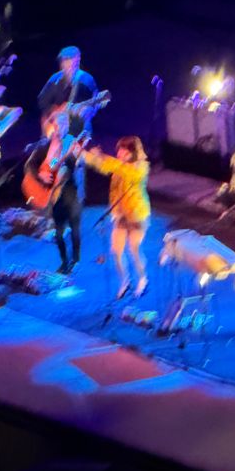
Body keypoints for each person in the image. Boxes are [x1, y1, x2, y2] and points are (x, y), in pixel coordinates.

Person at [85, 136, 151, 300]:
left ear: (132, 152)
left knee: (134, 249)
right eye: (119, 150)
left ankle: (143, 280)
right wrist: (82, 153)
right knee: (116, 251)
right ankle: (125, 281)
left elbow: (122, 169)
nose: (119, 153)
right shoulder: (119, 166)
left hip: (137, 216)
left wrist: (101, 157)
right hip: (121, 215)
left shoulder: (141, 168)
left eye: (123, 150)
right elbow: (103, 166)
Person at [38, 46, 99, 202]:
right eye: (64, 61)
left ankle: (79, 198)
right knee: (56, 159)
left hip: (79, 131)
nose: (66, 65)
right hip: (61, 130)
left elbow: (95, 104)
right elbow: (42, 102)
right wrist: (54, 113)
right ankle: (56, 193)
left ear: (78, 61)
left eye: (70, 61)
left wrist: (87, 111)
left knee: (76, 162)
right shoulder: (54, 80)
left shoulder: (86, 80)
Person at [25, 112, 83, 274]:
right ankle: (64, 262)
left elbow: (71, 164)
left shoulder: (72, 143)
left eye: (63, 124)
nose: (59, 128)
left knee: (75, 228)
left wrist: (65, 156)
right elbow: (32, 165)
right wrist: (41, 175)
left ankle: (76, 259)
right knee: (58, 233)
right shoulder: (48, 146)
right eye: (57, 125)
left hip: (71, 193)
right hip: (56, 196)